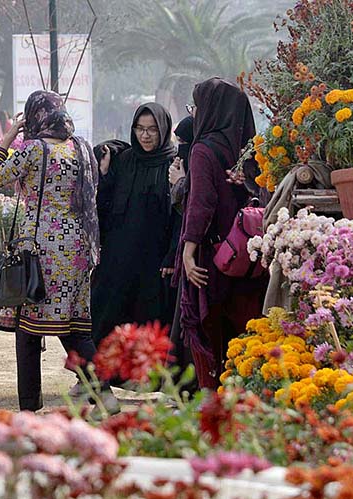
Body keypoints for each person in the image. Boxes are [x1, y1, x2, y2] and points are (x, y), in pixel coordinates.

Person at [0, 90, 116, 413]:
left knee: (28, 328)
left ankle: (29, 407)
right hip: (78, 249)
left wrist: (8, 137)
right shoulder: (81, 148)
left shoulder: (34, 150)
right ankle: (104, 394)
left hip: (40, 250)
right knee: (73, 326)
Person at [175, 78, 267, 389]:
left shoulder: (203, 149)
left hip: (214, 259)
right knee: (245, 331)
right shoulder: (253, 151)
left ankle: (214, 401)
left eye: (197, 107)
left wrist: (187, 251)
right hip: (251, 259)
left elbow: (201, 203)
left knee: (209, 331)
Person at [91, 103, 177, 347]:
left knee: (149, 321)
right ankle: (98, 377)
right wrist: (106, 174)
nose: (145, 135)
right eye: (140, 129)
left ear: (163, 130)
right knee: (107, 315)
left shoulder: (173, 164)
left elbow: (179, 214)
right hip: (119, 254)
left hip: (154, 258)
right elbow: (105, 205)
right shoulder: (125, 160)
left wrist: (171, 254)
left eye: (152, 129)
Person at [167, 115, 195, 381]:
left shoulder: (201, 159)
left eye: (184, 143)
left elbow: (190, 206)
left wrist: (179, 182)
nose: (180, 150)